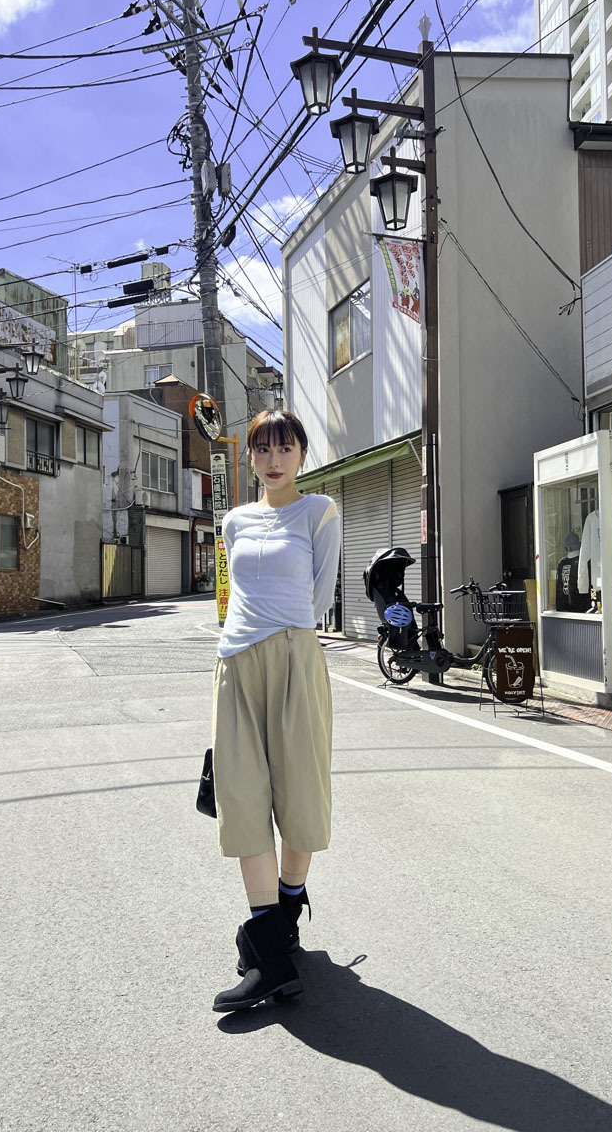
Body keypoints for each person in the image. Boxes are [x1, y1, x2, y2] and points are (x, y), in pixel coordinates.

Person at [210, 409, 341, 1014]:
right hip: (236, 662)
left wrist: (283, 639)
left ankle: (284, 916)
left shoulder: (319, 513)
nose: (273, 459)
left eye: (284, 448)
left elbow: (318, 596)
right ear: (251, 457)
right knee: (241, 797)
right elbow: (236, 594)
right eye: (262, 449)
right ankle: (269, 949)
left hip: (294, 656)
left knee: (299, 794)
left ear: (302, 455)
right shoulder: (234, 521)